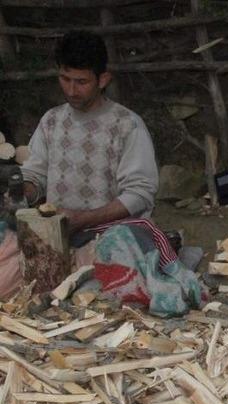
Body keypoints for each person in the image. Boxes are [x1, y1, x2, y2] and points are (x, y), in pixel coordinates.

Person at [0, 31, 181, 305]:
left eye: (81, 82)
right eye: (65, 79)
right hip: (54, 233)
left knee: (104, 294)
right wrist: (22, 191)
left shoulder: (126, 125)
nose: (71, 90)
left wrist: (85, 218)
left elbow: (139, 194)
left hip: (108, 233)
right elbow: (35, 175)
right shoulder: (52, 121)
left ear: (103, 79)